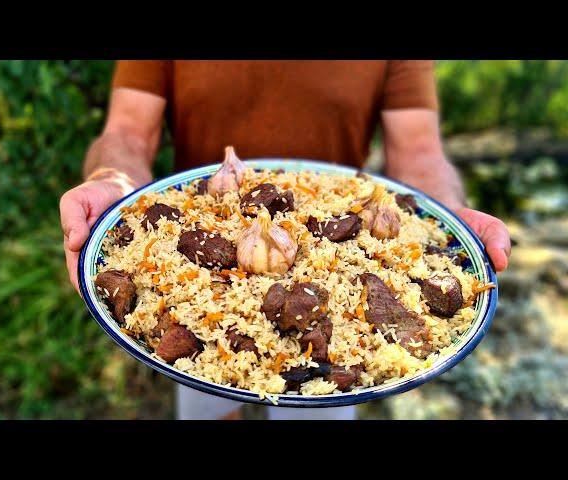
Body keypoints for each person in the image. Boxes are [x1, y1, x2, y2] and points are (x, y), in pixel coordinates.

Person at [60, 61, 511, 420]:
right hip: (193, 295)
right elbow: (125, 133)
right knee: (209, 406)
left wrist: (448, 211)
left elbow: (420, 153)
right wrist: (111, 181)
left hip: (343, 314)